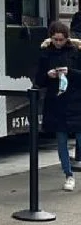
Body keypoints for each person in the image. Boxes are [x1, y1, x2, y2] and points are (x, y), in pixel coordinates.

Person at [35, 20, 81, 191]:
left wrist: (71, 73)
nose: (58, 43)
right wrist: (48, 75)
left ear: (67, 38)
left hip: (76, 100)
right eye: (55, 40)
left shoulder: (76, 52)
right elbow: (38, 80)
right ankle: (68, 174)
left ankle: (70, 173)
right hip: (57, 101)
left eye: (61, 40)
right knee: (61, 140)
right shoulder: (45, 54)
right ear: (51, 38)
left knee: (79, 137)